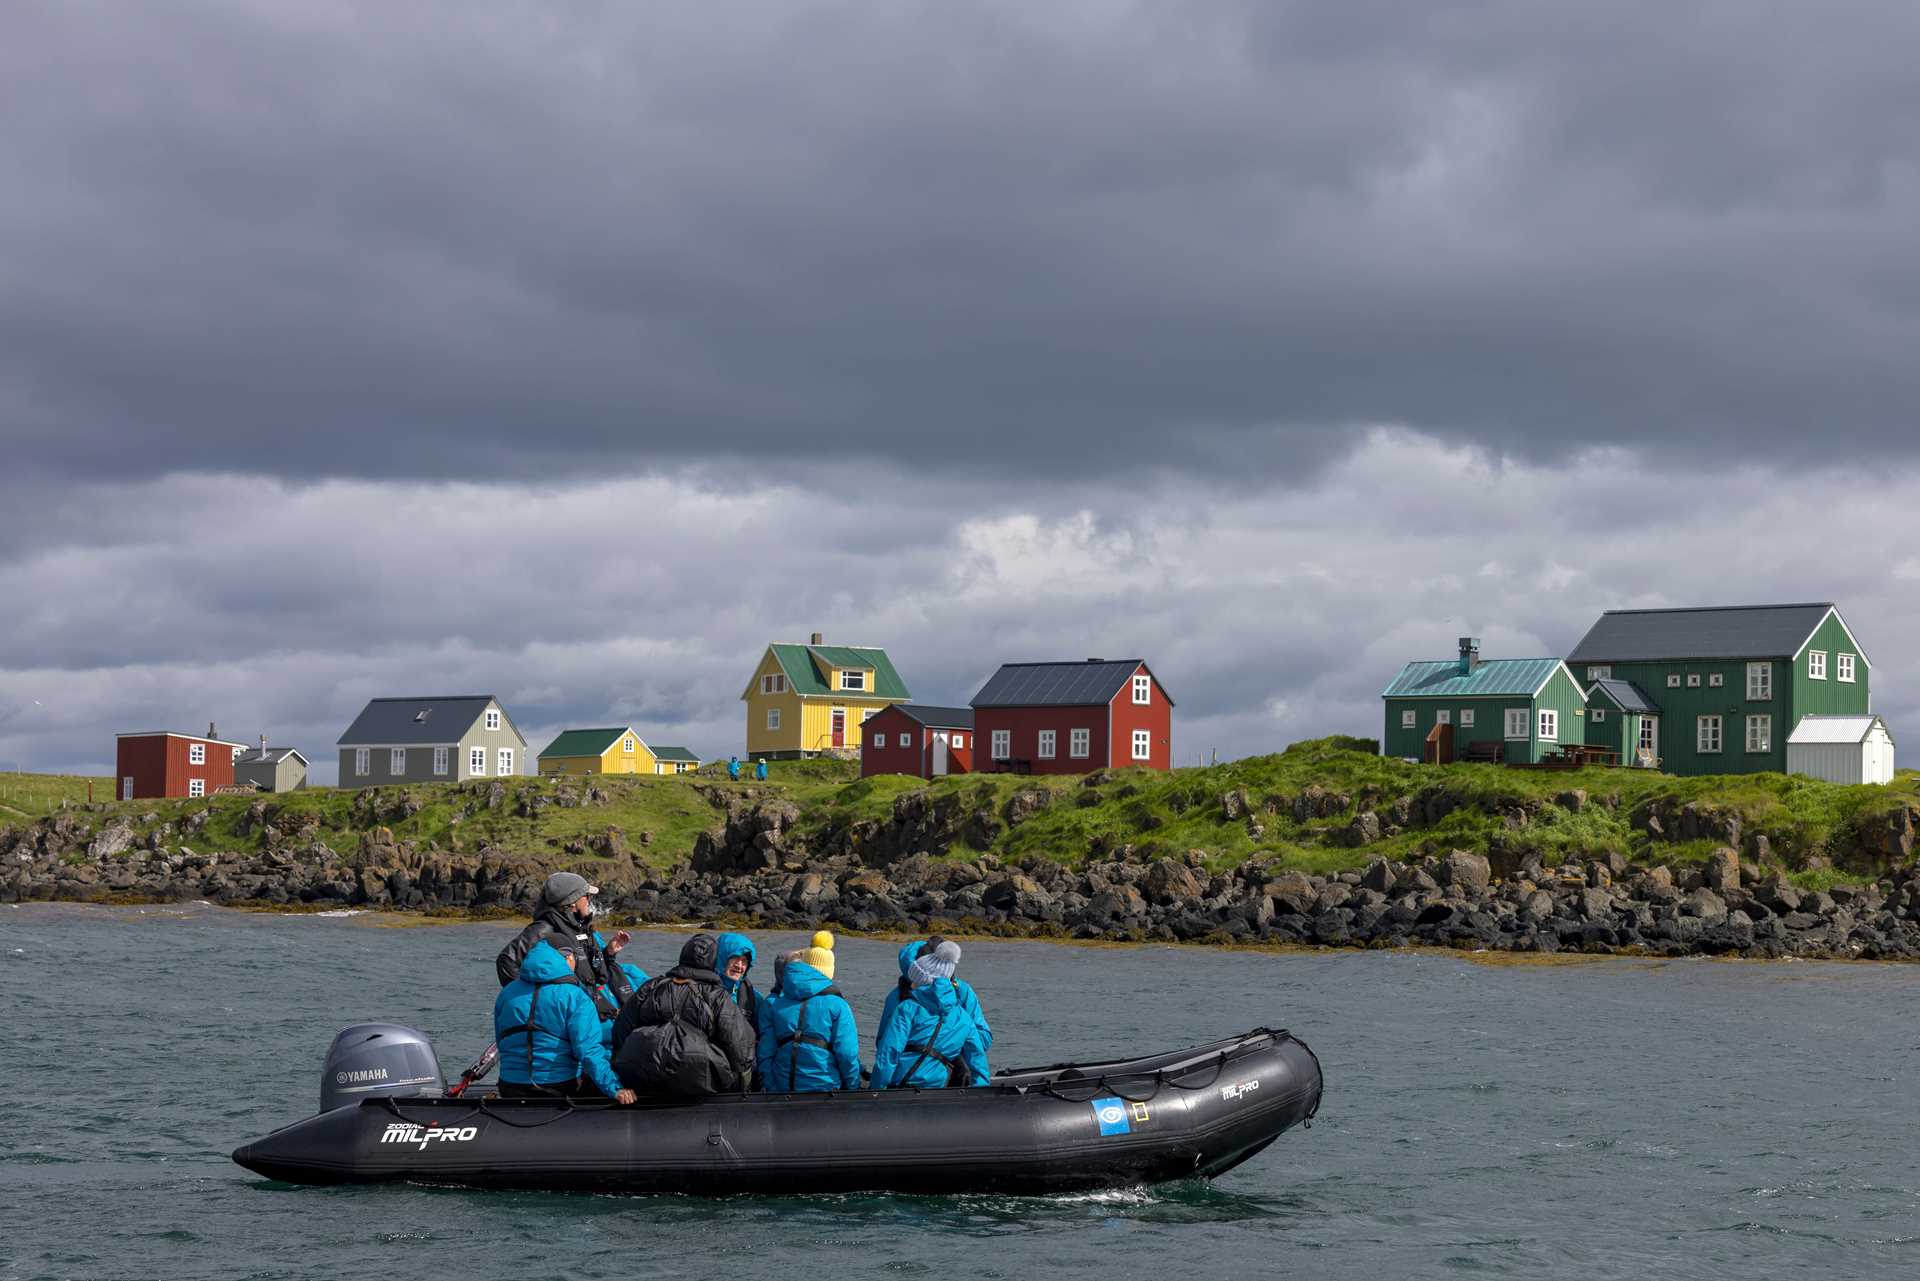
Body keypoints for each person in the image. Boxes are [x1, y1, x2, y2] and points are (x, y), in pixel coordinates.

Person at [612, 933, 757, 1096]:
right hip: (696, 1077)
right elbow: (740, 1045)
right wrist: (742, 1087)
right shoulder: (717, 996)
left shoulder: (652, 986)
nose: (740, 965)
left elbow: (621, 1030)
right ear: (715, 960)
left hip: (641, 1072)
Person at [493, 940, 636, 1103]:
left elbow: (501, 1041)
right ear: (568, 958)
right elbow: (588, 1050)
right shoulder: (575, 996)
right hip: (557, 1087)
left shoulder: (507, 993)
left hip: (510, 1086)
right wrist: (615, 1087)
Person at [495, 872, 638, 1025]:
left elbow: (587, 971)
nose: (589, 900)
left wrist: (608, 953)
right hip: (568, 1012)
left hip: (587, 1007)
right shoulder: (544, 929)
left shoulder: (579, 926)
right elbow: (506, 961)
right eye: (586, 896)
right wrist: (535, 999)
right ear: (573, 902)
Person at [872, 941, 989, 1089]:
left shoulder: (907, 1008)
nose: (912, 984)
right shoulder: (964, 1017)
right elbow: (977, 1058)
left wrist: (876, 1089)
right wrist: (981, 1090)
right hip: (938, 1085)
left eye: (915, 979)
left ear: (922, 980)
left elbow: (888, 1052)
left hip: (900, 1084)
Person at [757, 932, 861, 1092]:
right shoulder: (838, 1005)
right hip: (825, 1089)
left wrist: (772, 1087)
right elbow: (847, 1055)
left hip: (783, 1088)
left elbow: (765, 1053)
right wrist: (853, 1088)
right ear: (829, 972)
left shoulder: (777, 1004)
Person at [713, 932, 761, 1032]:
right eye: (734, 958)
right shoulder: (701, 991)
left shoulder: (754, 998)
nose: (739, 965)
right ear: (721, 958)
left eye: (744, 961)